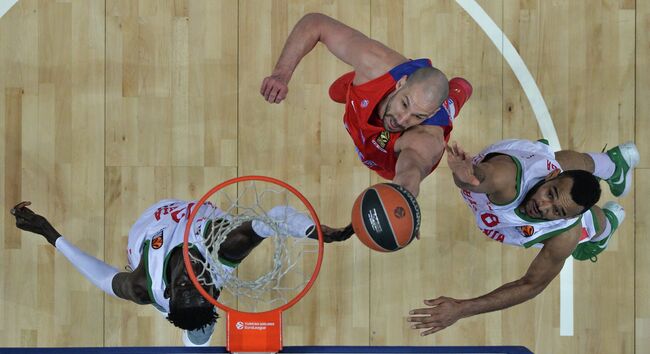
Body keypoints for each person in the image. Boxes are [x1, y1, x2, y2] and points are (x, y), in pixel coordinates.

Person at [10, 199, 350, 346]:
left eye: (184, 284)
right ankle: (199, 335)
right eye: (201, 284)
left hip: (148, 223)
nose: (193, 275)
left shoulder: (144, 285)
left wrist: (49, 233)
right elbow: (274, 216)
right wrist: (314, 231)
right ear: (211, 289)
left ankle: (193, 337)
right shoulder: (221, 252)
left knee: (193, 327)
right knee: (201, 327)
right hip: (196, 213)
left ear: (169, 293)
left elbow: (101, 277)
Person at [407, 139, 639, 335]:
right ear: (551, 175)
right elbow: (479, 178)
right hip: (523, 169)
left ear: (566, 218)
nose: (543, 206)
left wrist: (462, 309)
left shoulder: (565, 232)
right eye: (550, 193)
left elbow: (531, 285)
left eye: (557, 211)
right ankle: (612, 166)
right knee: (567, 163)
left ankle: (608, 214)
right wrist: (464, 176)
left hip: (551, 199)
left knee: (589, 226)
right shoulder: (504, 181)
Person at [261, 13, 473, 197]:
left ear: (429, 114)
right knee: (338, 91)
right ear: (400, 83)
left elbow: (409, 173)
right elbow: (316, 23)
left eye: (417, 116)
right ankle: (361, 88)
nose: (402, 119)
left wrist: (403, 203)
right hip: (376, 93)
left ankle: (456, 94)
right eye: (404, 104)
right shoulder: (375, 63)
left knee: (450, 103)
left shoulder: (425, 139)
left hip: (386, 157)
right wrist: (281, 74)